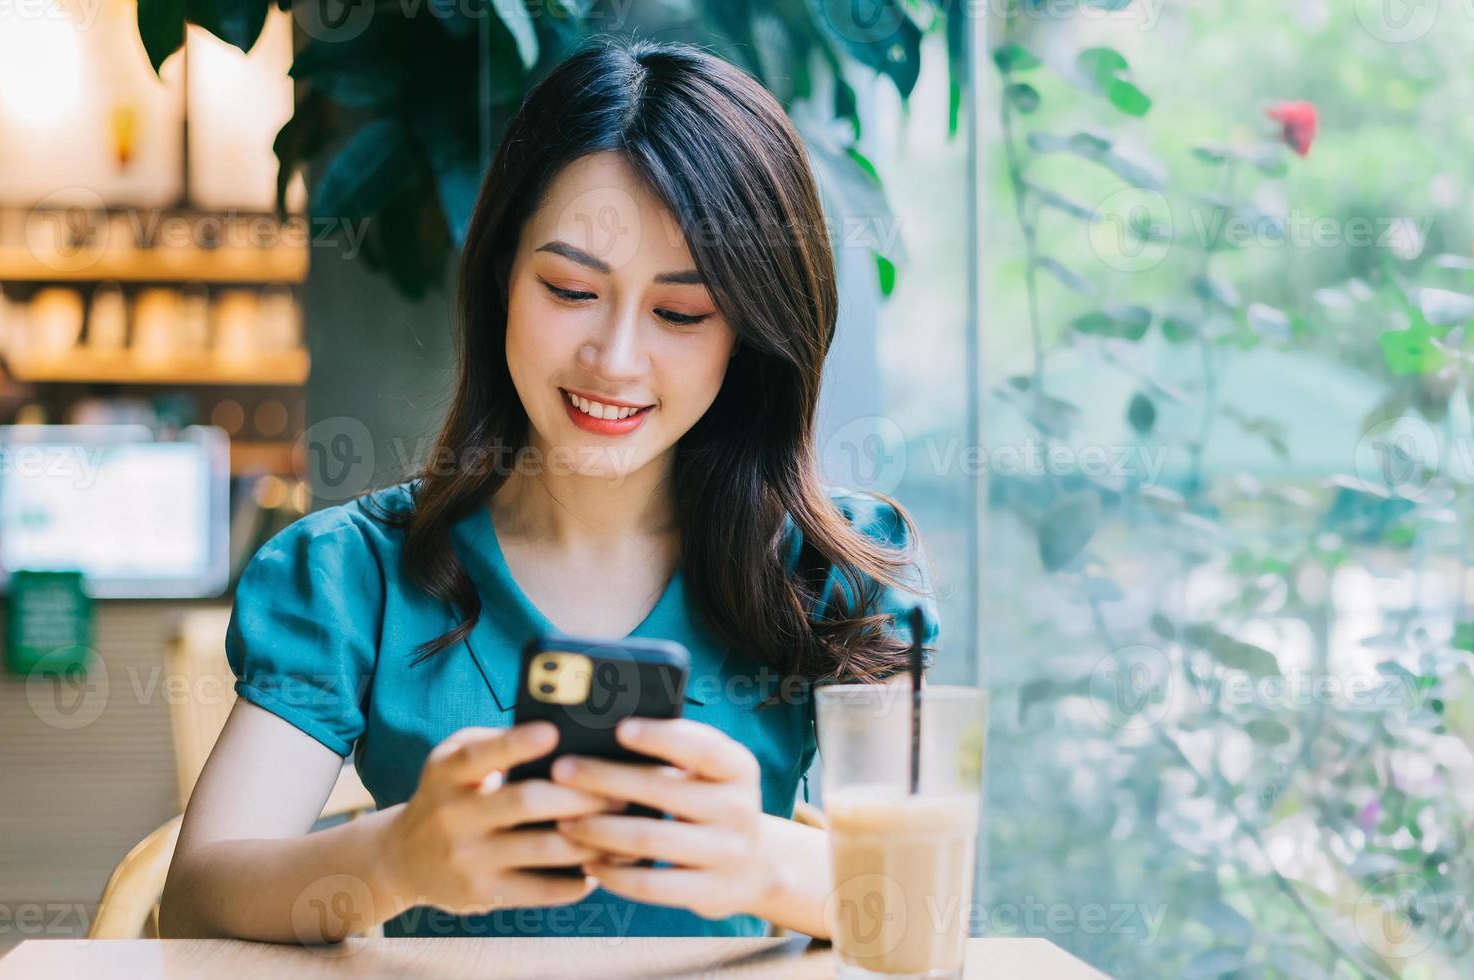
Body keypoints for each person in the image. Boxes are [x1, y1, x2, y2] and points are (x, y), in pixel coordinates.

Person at [161, 35, 940, 945]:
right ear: (501, 278)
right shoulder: (351, 576)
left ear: (752, 334)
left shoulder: (840, 571)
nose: (613, 360)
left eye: (681, 313)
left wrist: (761, 861)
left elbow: (926, 913)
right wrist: (395, 859)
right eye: (571, 289)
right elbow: (197, 899)